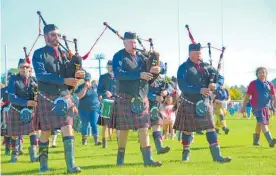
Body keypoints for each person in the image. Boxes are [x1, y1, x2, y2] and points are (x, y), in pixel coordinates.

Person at [32, 24, 84, 173]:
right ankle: (43, 164)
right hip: (46, 96)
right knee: (46, 131)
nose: (57, 38)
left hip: (63, 95)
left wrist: (78, 72)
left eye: (58, 35)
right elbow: (41, 75)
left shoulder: (64, 54)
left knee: (67, 127)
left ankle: (71, 165)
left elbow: (71, 72)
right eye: (53, 35)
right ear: (46, 36)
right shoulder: (39, 54)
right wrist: (64, 81)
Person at [110, 32, 162, 167]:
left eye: (135, 42)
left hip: (141, 97)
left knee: (144, 127)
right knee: (124, 130)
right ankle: (120, 158)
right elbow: (118, 74)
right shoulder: (119, 56)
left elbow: (148, 78)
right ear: (124, 43)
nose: (134, 45)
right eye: (131, 42)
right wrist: (139, 75)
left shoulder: (141, 57)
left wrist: (155, 73)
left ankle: (148, 160)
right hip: (125, 97)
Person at [174, 42, 231, 163]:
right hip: (188, 101)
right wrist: (198, 90)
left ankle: (217, 156)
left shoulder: (206, 66)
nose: (199, 55)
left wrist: (216, 84)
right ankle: (186, 153)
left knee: (210, 127)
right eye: (196, 53)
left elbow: (220, 77)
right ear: (190, 54)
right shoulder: (183, 68)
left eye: (200, 53)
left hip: (204, 102)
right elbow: (183, 86)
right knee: (187, 130)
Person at [7, 58, 38, 163]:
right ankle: (14, 155)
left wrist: (37, 97)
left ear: (30, 68)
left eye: (27, 67)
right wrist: (26, 102)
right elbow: (11, 97)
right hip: (16, 109)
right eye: (22, 67)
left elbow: (39, 93)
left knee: (33, 131)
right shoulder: (13, 79)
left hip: (30, 110)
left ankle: (33, 155)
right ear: (18, 69)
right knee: (14, 134)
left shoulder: (34, 80)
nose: (24, 69)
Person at [241, 67, 276, 147]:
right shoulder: (253, 83)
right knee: (263, 123)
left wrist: (274, 104)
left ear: (266, 74)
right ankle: (270, 140)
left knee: (259, 123)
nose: (262, 74)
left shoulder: (270, 84)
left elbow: (273, 95)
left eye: (263, 72)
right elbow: (247, 96)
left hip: (266, 107)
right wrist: (243, 107)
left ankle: (255, 141)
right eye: (260, 72)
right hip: (256, 107)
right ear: (257, 74)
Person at [75, 73, 102, 146]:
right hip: (83, 109)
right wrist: (85, 88)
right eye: (86, 80)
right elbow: (79, 96)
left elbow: (99, 96)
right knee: (85, 124)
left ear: (90, 79)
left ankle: (96, 140)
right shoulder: (80, 87)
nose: (87, 81)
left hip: (94, 108)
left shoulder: (95, 86)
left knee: (94, 123)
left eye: (88, 80)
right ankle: (84, 140)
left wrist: (101, 103)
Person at [148, 73, 171, 154]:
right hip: (144, 106)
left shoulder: (162, 78)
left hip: (156, 106)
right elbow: (141, 91)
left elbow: (170, 88)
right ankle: (146, 153)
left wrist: (166, 92)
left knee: (157, 125)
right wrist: (154, 97)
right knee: (143, 130)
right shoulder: (145, 76)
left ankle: (159, 147)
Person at [97, 60, 117, 148]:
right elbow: (98, 90)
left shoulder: (118, 77)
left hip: (116, 101)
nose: (110, 67)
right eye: (109, 66)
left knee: (116, 123)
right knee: (105, 123)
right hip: (106, 102)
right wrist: (105, 92)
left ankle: (117, 141)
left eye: (111, 66)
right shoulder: (103, 77)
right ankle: (104, 142)